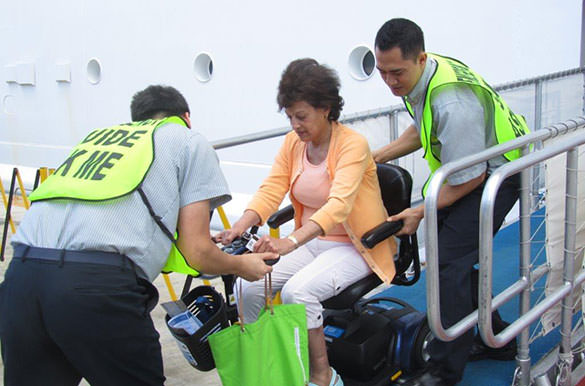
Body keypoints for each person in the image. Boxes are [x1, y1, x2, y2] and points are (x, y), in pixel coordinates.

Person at [0, 85, 276, 386]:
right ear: (186, 117)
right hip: (95, 287)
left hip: (21, 277)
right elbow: (197, 252)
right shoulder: (188, 140)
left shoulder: (99, 138)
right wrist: (241, 266)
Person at [215, 58, 397, 386]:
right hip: (314, 243)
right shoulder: (293, 143)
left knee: (299, 293)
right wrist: (241, 225)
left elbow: (339, 205)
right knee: (247, 284)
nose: (295, 125)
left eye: (301, 116)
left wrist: (291, 241)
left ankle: (323, 376)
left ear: (325, 108)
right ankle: (267, 365)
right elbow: (273, 187)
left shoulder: (352, 145)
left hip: (358, 246)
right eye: (289, 117)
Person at [371, 18, 529, 385]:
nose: (391, 82)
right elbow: (423, 126)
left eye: (397, 73)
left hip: (496, 175)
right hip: (475, 169)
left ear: (420, 58)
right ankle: (496, 340)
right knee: (457, 258)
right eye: (382, 72)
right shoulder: (427, 73)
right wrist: (378, 155)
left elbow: (471, 177)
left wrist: (419, 211)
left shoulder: (452, 100)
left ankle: (444, 370)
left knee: (450, 266)